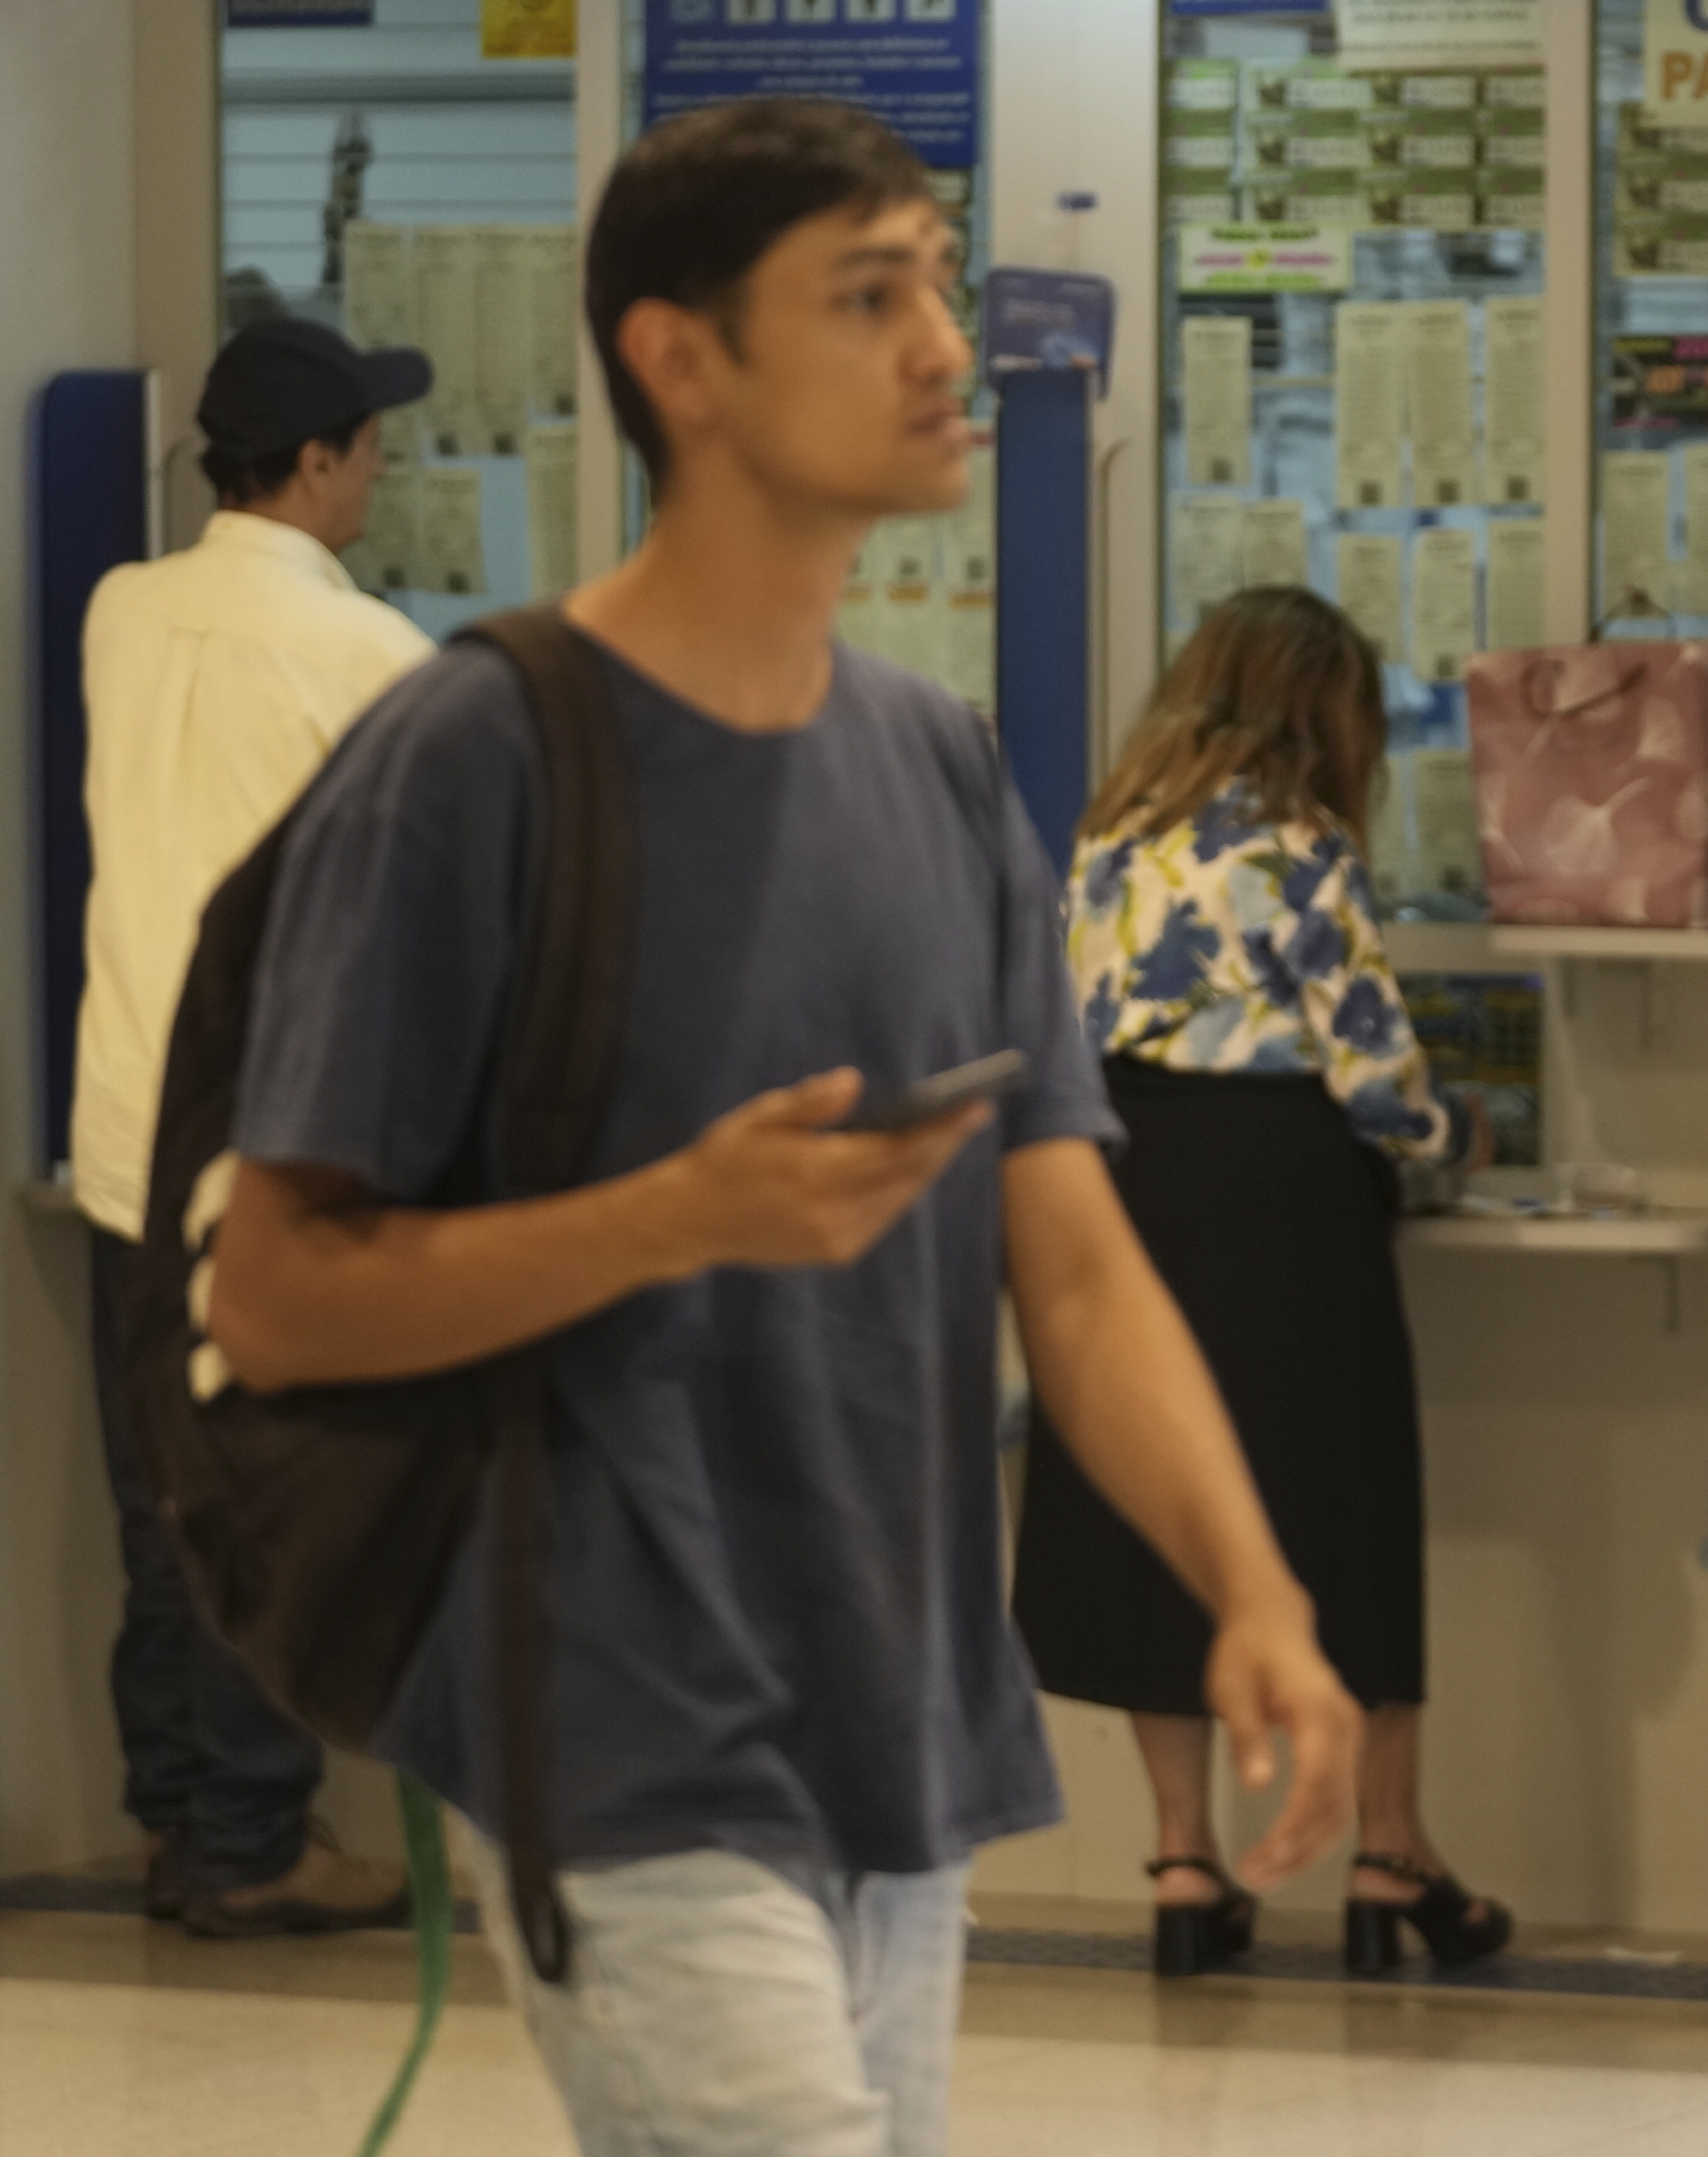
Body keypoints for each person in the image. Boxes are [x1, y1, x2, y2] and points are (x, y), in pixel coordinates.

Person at [199, 101, 1359, 2157]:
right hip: (608, 1710)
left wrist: (1252, 1594)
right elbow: (279, 1294)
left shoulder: (939, 771)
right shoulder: (485, 750)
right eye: (866, 295)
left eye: (936, 279)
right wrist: (665, 1220)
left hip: (896, 1716)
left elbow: (1076, 1271)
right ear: (681, 360)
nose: (940, 344)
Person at [1010, 585, 1514, 1980]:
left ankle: (1184, 1863)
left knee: (1153, 1516)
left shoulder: (1105, 849)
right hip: (1282, 1202)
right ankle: (1387, 1855)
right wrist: (1458, 1139)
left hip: (1121, 1184)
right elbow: (1375, 1080)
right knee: (1347, 1520)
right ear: (1324, 717)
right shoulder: (1304, 851)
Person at [74, 316, 435, 1937]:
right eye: (369, 444)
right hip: (269, 1145)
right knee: (264, 1496)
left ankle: (177, 1819)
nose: (382, 468)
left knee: (161, 1490)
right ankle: (249, 1846)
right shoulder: (370, 656)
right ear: (311, 464)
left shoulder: (122, 613)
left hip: (121, 1134)